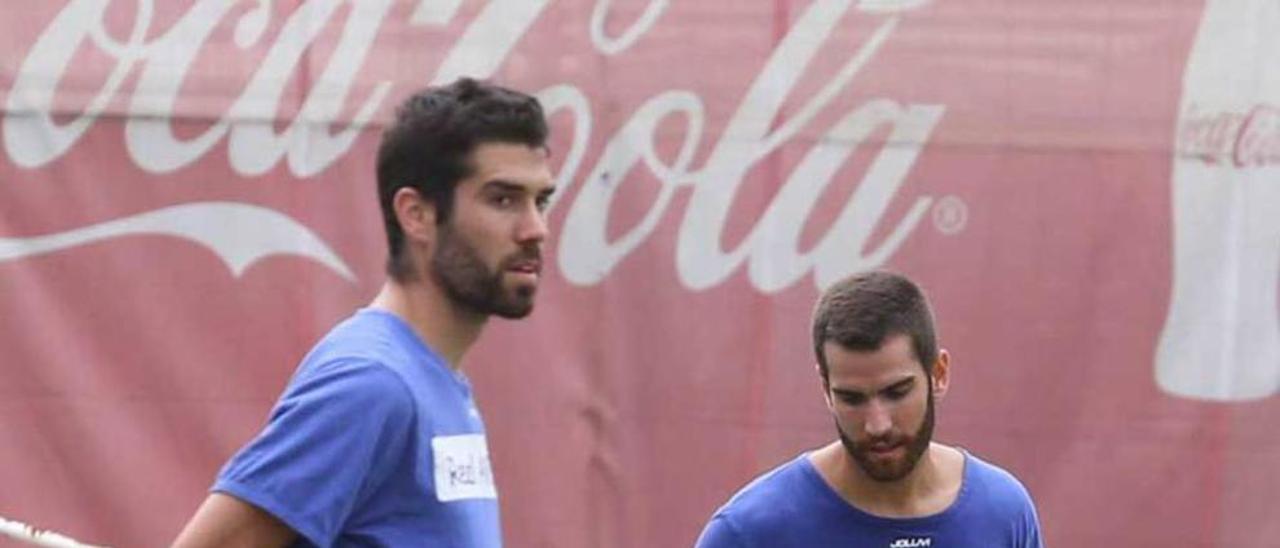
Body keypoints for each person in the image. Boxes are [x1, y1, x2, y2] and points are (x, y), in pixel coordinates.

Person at [172, 77, 556, 548]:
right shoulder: (371, 384)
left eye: (541, 201)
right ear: (416, 214)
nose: (535, 229)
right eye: (503, 199)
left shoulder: (430, 380)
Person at [695, 271, 1043, 547]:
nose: (877, 425)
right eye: (852, 398)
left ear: (938, 374)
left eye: (896, 392)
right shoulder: (751, 531)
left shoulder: (1003, 512)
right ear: (825, 390)